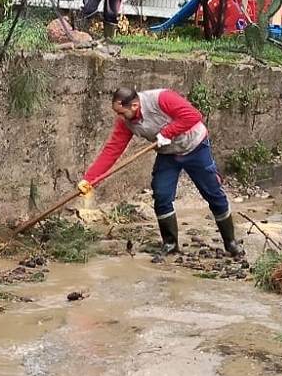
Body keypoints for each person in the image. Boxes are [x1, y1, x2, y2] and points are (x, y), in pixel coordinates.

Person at [78, 87, 243, 261]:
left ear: (134, 105)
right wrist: (89, 179)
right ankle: (170, 244)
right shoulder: (125, 122)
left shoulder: (162, 98)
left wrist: (166, 133)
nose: (120, 117)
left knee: (213, 192)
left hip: (195, 146)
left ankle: (230, 242)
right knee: (161, 194)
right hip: (168, 154)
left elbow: (193, 116)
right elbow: (112, 150)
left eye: (121, 112)